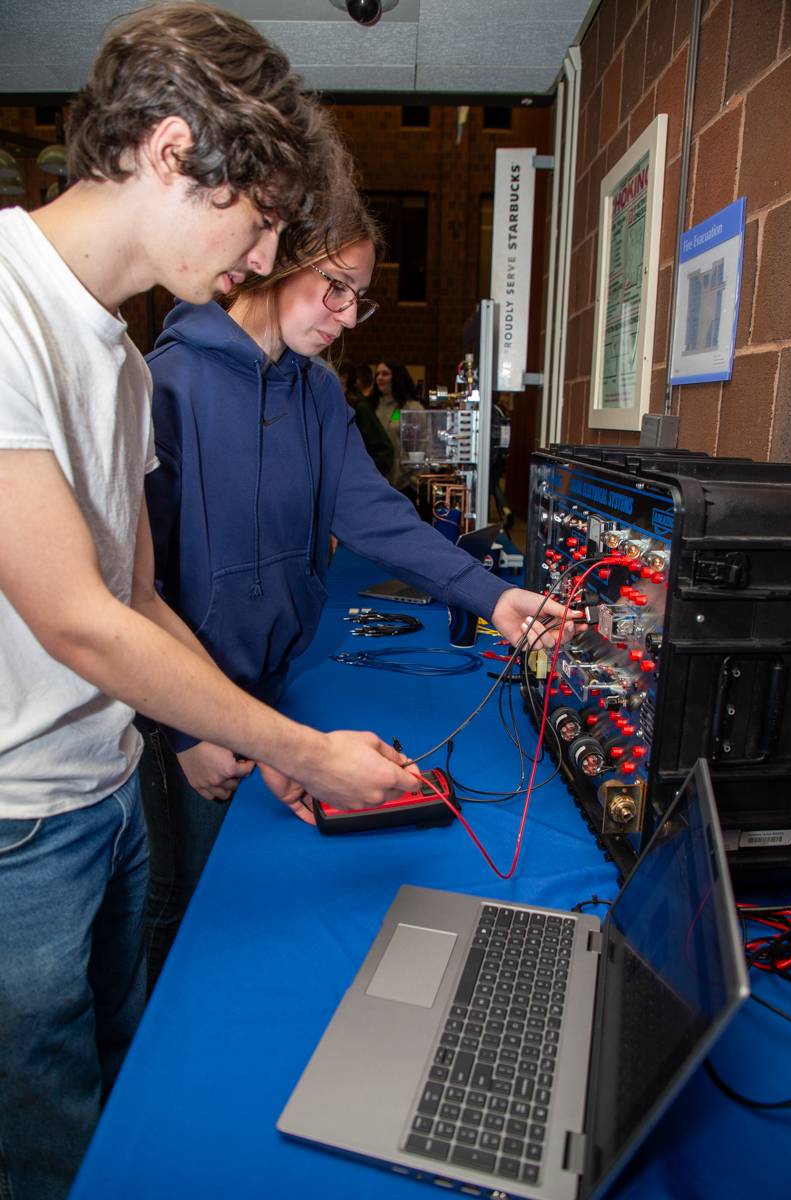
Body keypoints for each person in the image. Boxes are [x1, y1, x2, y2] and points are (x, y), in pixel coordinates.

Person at [0, 6, 422, 1198]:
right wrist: (299, 746)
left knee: (128, 1089)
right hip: (15, 824)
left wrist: (242, 733)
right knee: (46, 1140)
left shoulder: (120, 361)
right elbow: (76, 617)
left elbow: (138, 592)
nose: (260, 254)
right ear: (176, 149)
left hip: (104, 792)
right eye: (262, 217)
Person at [141, 198, 578, 985]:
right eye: (333, 289)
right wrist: (179, 728)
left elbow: (372, 513)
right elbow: (140, 588)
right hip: (182, 706)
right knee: (183, 908)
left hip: (266, 693)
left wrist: (492, 598)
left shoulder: (316, 391)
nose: (347, 316)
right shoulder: (166, 386)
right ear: (272, 260)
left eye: (359, 297)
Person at [368, 359, 425, 500]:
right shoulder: (371, 408)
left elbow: (422, 446)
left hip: (405, 484)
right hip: (377, 481)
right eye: (378, 374)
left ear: (397, 377)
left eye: (385, 373)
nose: (380, 378)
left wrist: (414, 477)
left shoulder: (412, 408)